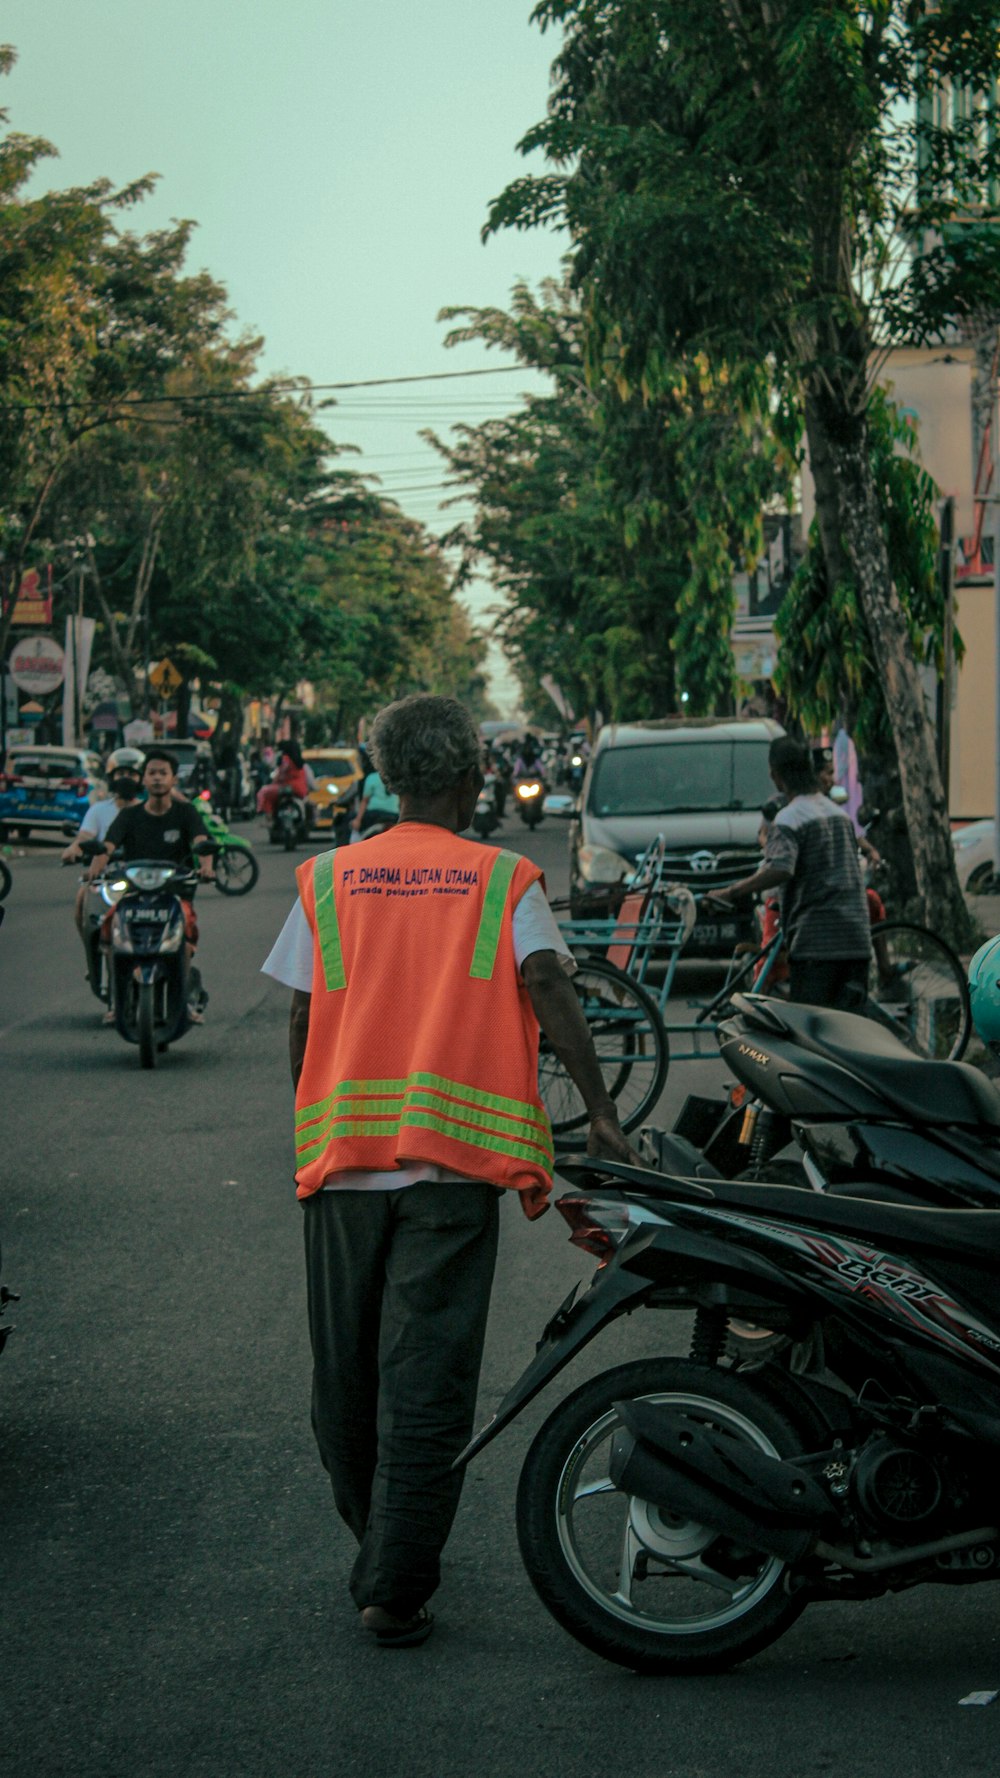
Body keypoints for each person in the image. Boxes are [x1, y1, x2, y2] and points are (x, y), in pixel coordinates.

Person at [262, 693, 639, 1649]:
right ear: (472, 778)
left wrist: (311, 1125)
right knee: (425, 1378)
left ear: (387, 778)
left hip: (343, 1166)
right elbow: (548, 983)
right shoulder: (505, 879)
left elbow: (302, 1021)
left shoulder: (327, 878)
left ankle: (386, 1552)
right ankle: (393, 1569)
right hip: (451, 1171)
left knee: (342, 1381)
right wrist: (597, 1110)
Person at [707, 735, 871, 1009]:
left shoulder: (789, 818)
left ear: (775, 776)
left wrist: (731, 892)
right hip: (856, 940)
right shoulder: (838, 815)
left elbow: (780, 868)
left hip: (817, 945)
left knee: (814, 1036)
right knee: (849, 1035)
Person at [88, 748, 215, 1021]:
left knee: (185, 938)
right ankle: (115, 1000)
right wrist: (94, 869)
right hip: (132, 895)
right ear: (143, 780)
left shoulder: (186, 812)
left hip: (176, 895)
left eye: (163, 773)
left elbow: (201, 843)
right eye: (152, 773)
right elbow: (106, 847)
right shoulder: (129, 816)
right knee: (110, 930)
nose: (157, 779)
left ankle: (185, 1001)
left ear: (173, 780)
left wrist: (206, 867)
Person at [62, 746, 146, 952]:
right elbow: (84, 838)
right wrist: (74, 850)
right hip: (105, 876)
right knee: (83, 900)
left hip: (143, 875)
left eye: (131, 774)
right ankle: (93, 957)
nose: (125, 779)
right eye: (120, 774)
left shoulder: (148, 809)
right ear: (111, 777)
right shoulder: (99, 810)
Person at [257, 741, 310, 821]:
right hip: (300, 789)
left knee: (264, 791)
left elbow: (281, 774)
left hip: (287, 787)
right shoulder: (300, 761)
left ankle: (268, 817)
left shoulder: (285, 759)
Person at [350, 762, 400, 838]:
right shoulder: (398, 779)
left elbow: (365, 801)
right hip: (393, 814)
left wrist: (358, 820)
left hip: (374, 815)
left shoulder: (372, 778)